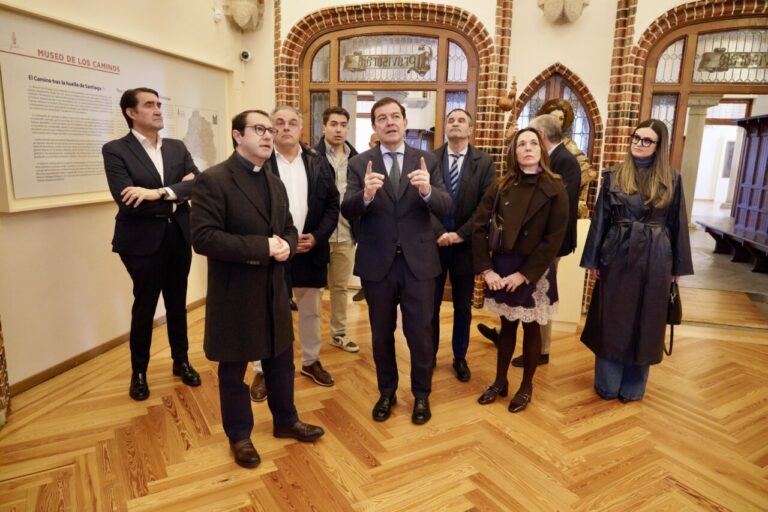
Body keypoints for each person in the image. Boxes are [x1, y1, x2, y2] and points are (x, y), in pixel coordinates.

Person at [191, 109, 324, 469]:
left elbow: (288, 227)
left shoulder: (273, 180)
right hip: (235, 292)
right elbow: (203, 238)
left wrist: (287, 243)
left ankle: (286, 420)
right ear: (237, 136)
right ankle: (239, 435)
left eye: (270, 129)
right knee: (233, 370)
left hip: (273, 287)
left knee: (280, 359)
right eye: (259, 129)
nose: (268, 135)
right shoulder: (214, 180)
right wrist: (263, 247)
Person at [341, 97, 451, 425]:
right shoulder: (361, 163)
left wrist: (428, 191)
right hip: (379, 264)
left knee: (420, 332)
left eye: (395, 117)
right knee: (380, 333)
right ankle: (386, 392)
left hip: (419, 262)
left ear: (405, 123)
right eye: (382, 118)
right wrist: (366, 196)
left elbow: (445, 206)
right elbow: (347, 208)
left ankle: (421, 395)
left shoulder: (427, 160)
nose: (389, 122)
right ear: (374, 126)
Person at [580, 119, 692, 403]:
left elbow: (678, 222)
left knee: (648, 319)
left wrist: (678, 267)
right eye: (636, 138)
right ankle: (607, 384)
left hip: (656, 255)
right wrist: (593, 258)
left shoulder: (672, 179)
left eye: (647, 140)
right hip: (617, 252)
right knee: (613, 319)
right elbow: (600, 219)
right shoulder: (614, 175)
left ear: (659, 146)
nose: (639, 144)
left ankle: (633, 387)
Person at [103, 87, 201, 401]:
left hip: (178, 237)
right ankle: (139, 372)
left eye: (159, 104)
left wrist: (157, 193)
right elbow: (127, 199)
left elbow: (199, 185)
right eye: (149, 105)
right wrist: (177, 194)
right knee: (144, 306)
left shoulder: (176, 146)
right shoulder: (116, 150)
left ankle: (181, 361)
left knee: (177, 303)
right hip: (141, 241)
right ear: (131, 112)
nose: (158, 110)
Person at [472, 128, 568, 413]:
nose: (527, 148)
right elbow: (478, 226)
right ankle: (500, 381)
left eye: (533, 143)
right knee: (507, 325)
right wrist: (487, 270)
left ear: (541, 150)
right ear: (514, 152)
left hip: (533, 269)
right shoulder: (501, 185)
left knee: (531, 327)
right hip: (502, 265)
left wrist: (524, 274)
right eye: (521, 144)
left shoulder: (555, 187)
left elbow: (554, 239)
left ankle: (527, 385)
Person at [249, 106, 340, 403]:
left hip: (309, 250)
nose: (285, 128)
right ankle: (262, 369)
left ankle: (311, 361)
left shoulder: (318, 162)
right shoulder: (260, 162)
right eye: (279, 123)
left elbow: (331, 206)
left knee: (312, 311)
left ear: (301, 128)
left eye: (292, 123)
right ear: (271, 129)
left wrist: (316, 237)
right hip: (273, 251)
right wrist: (272, 242)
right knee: (265, 311)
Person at [431, 108, 496, 382]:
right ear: (445, 127)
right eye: (451, 120)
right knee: (430, 304)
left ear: (470, 130)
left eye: (461, 121)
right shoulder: (430, 158)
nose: (455, 124)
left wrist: (460, 234)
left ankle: (460, 357)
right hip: (433, 245)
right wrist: (439, 232)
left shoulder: (484, 162)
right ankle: (429, 353)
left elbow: (486, 206)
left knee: (463, 306)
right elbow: (422, 201)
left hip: (465, 246)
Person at [314, 106, 361, 353]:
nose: (339, 129)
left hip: (346, 235)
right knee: (313, 289)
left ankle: (338, 334)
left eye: (343, 124)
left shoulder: (358, 158)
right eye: (333, 124)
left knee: (340, 288)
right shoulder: (311, 156)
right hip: (318, 236)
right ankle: (311, 341)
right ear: (324, 127)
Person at [538, 98, 597, 217]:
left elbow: (589, 172)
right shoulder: (536, 143)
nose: (557, 121)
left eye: (560, 118)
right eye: (553, 117)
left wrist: (567, 184)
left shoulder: (568, 146)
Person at [351, 132, 380, 303]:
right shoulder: (361, 164)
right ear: (370, 144)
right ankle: (364, 287)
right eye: (375, 142)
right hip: (366, 222)